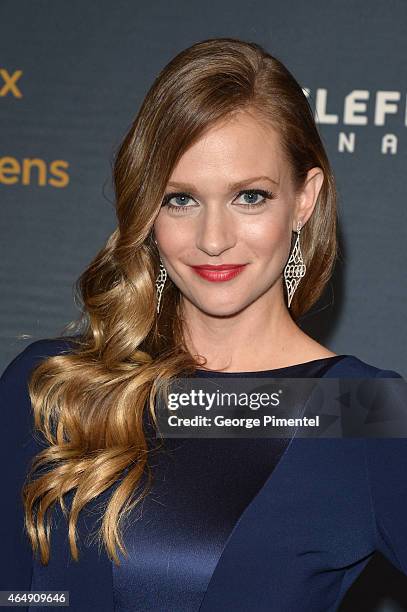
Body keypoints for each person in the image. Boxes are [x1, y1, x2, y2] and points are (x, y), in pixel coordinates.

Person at [0, 37, 406, 612]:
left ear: (304, 200)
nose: (213, 240)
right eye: (180, 200)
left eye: (249, 197)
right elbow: (17, 593)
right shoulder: (51, 388)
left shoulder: (361, 410)